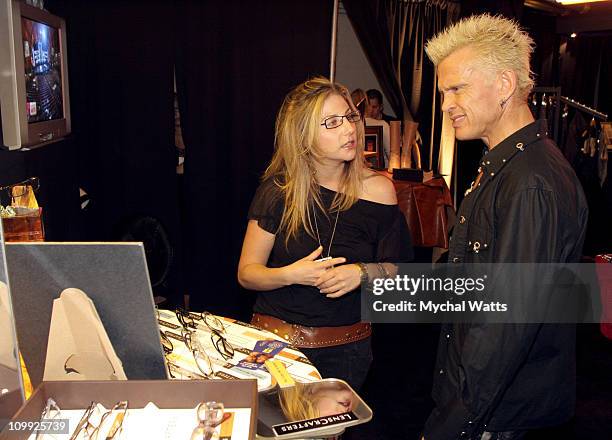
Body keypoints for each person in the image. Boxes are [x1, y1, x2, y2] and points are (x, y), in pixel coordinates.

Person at [421, 14, 588, 440]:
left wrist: (452, 423)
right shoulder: (505, 166)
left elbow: (504, 326)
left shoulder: (531, 180)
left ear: (505, 85)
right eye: (444, 92)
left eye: (456, 88)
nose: (445, 105)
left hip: (497, 417)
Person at [237, 76, 408, 391]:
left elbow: (399, 270)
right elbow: (247, 274)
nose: (349, 129)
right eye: (331, 122)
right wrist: (292, 274)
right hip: (276, 344)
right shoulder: (278, 191)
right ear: (303, 137)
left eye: (349, 117)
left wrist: (362, 273)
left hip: (346, 351)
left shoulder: (380, 190)